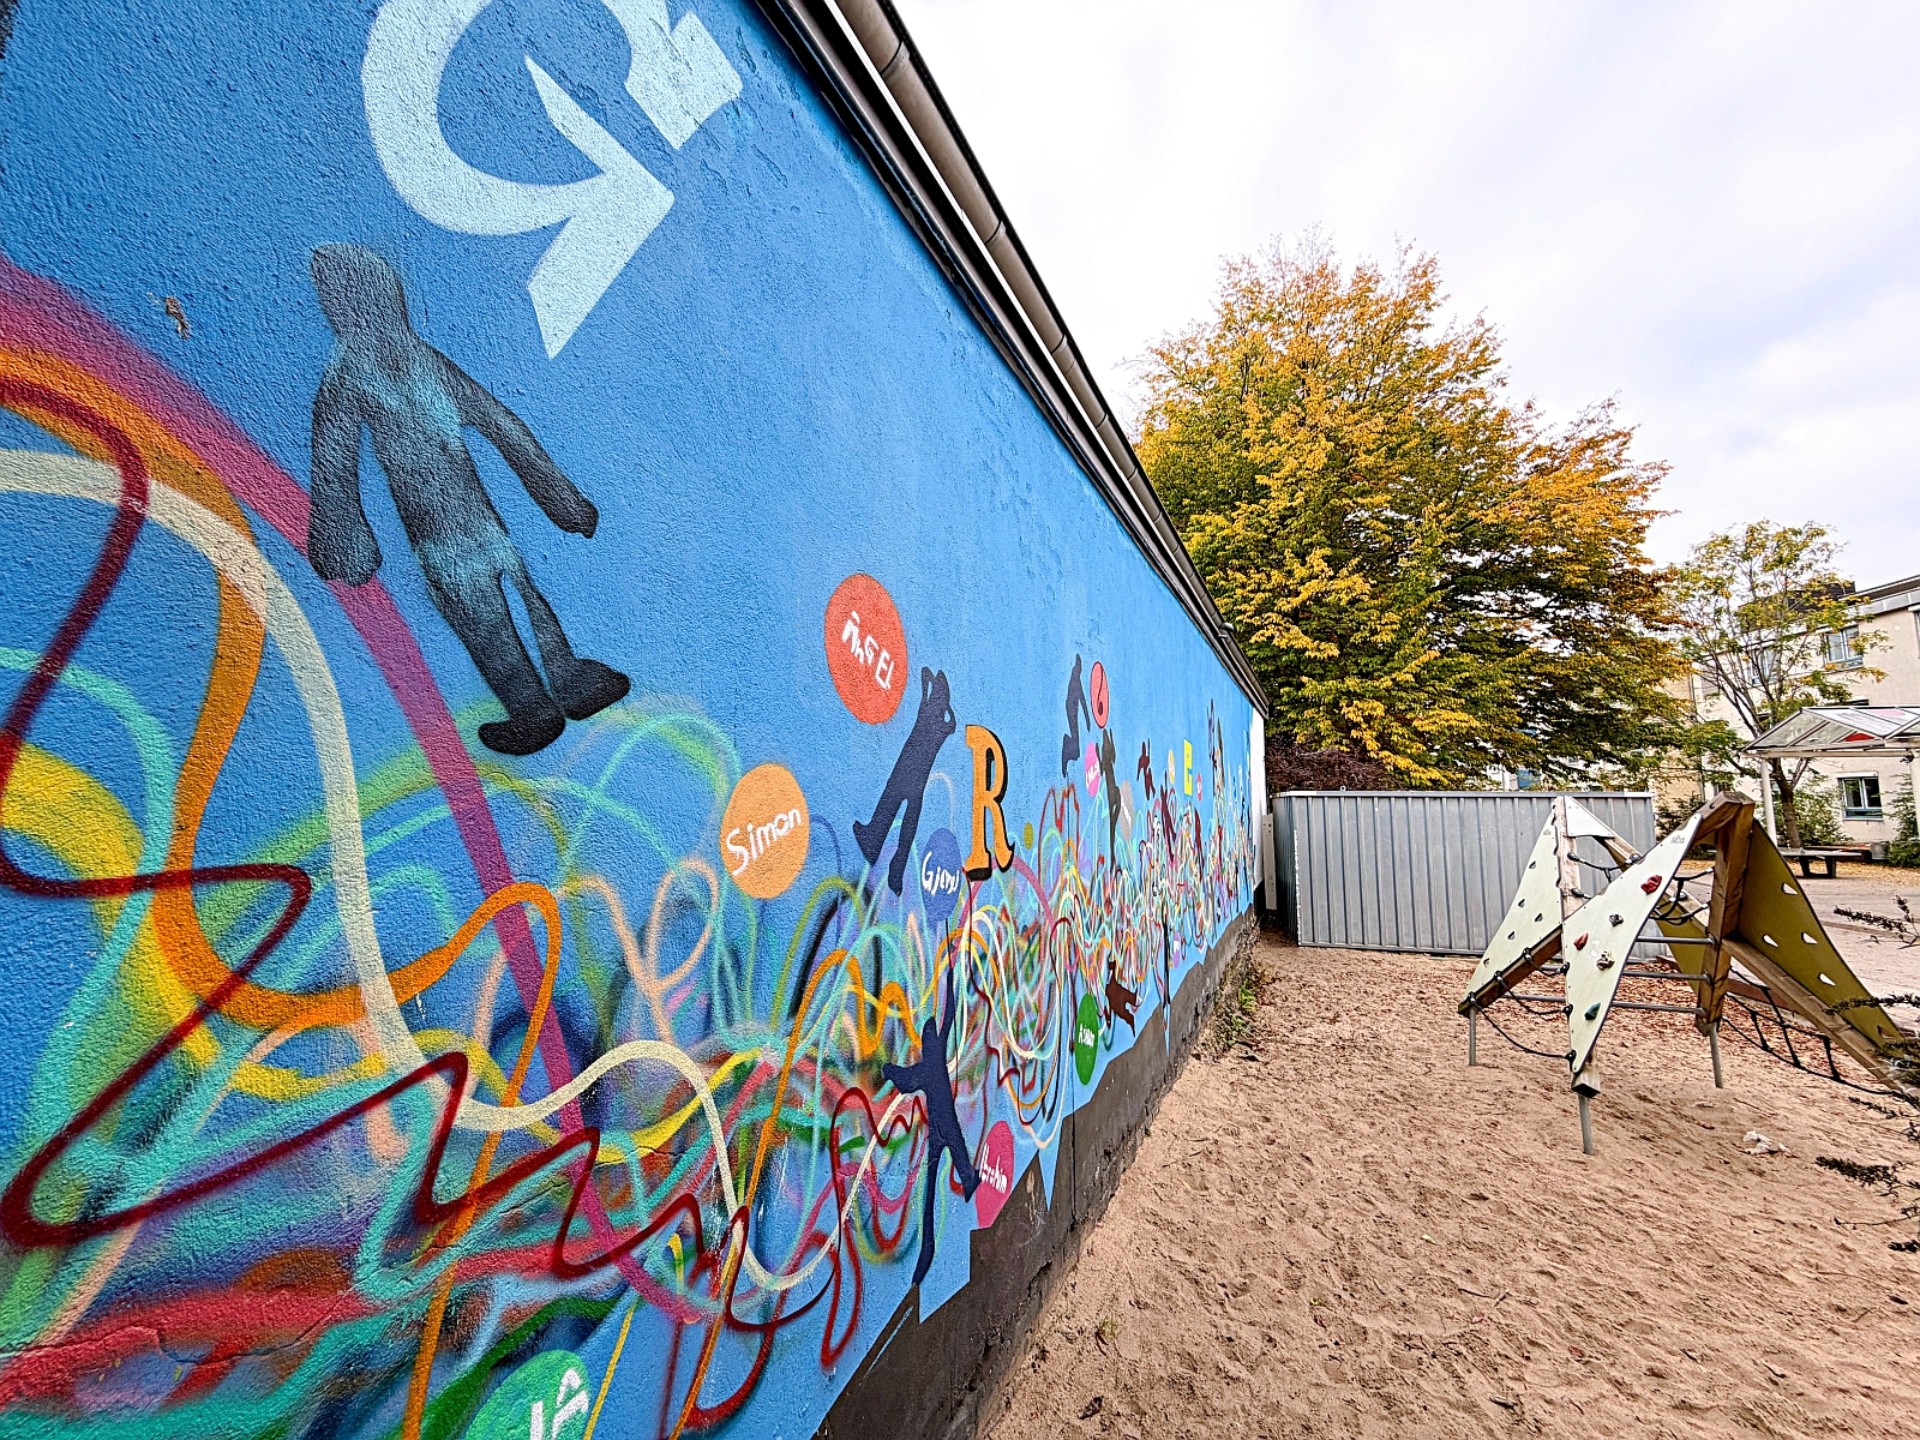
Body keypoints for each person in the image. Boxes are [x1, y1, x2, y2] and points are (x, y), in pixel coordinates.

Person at [305, 244, 628, 755]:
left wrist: (342, 542)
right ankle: (565, 678)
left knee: (484, 623)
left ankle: (533, 708)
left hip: (440, 540)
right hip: (484, 525)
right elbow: (504, 427)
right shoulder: (421, 359)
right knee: (524, 598)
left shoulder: (347, 377)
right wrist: (562, 499)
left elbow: (335, 468)